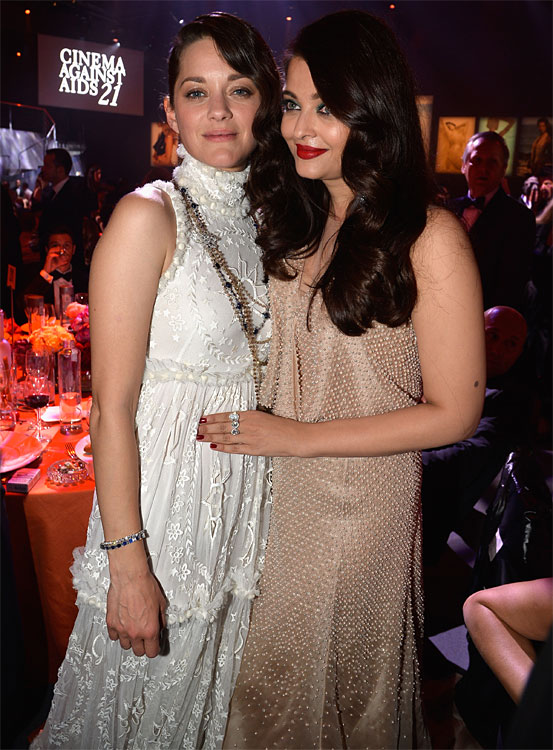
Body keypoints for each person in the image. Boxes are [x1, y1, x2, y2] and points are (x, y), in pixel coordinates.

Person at [198, 10, 486, 749]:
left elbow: (455, 413)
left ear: (372, 110)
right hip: (273, 491)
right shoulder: (293, 217)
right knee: (264, 689)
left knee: (314, 697)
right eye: (293, 103)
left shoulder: (428, 235)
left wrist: (296, 438)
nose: (303, 124)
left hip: (357, 509)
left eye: (328, 106)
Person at [32, 12, 281, 749]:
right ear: (169, 111)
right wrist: (128, 565)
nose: (218, 111)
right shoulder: (149, 215)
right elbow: (109, 409)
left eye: (237, 90)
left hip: (243, 509)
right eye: (196, 92)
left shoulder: (268, 220)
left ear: (262, 102)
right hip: (164, 510)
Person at [449, 131, 536, 313]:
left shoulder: (519, 218)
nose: (483, 169)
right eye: (476, 160)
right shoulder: (446, 210)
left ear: (503, 169)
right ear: (464, 165)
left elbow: (512, 284)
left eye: (492, 162)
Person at [23, 225, 88, 317]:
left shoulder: (85, 278)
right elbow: (23, 308)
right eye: (55, 245)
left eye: (66, 245)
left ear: (73, 250)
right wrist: (46, 272)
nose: (62, 250)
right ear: (47, 250)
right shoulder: (35, 275)